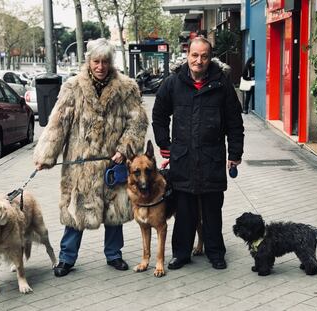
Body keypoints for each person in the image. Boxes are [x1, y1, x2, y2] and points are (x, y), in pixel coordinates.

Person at [33, 38, 148, 277]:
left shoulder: (127, 88)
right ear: (88, 61)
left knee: (114, 212)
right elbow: (58, 122)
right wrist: (46, 155)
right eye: (96, 61)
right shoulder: (73, 87)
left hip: (113, 163)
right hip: (80, 166)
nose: (100, 66)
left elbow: (137, 122)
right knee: (76, 212)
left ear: (111, 62)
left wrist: (124, 149)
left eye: (105, 61)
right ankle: (66, 258)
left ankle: (114, 254)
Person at [152, 37, 245, 270]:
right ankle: (181, 254)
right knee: (184, 210)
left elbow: (235, 122)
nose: (199, 60)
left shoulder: (222, 85)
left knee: (213, 210)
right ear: (187, 55)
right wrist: (164, 144)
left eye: (204, 56)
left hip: (212, 157)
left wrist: (235, 153)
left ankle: (216, 253)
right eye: (195, 55)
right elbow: (159, 115)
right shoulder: (173, 83)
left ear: (209, 57)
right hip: (182, 158)